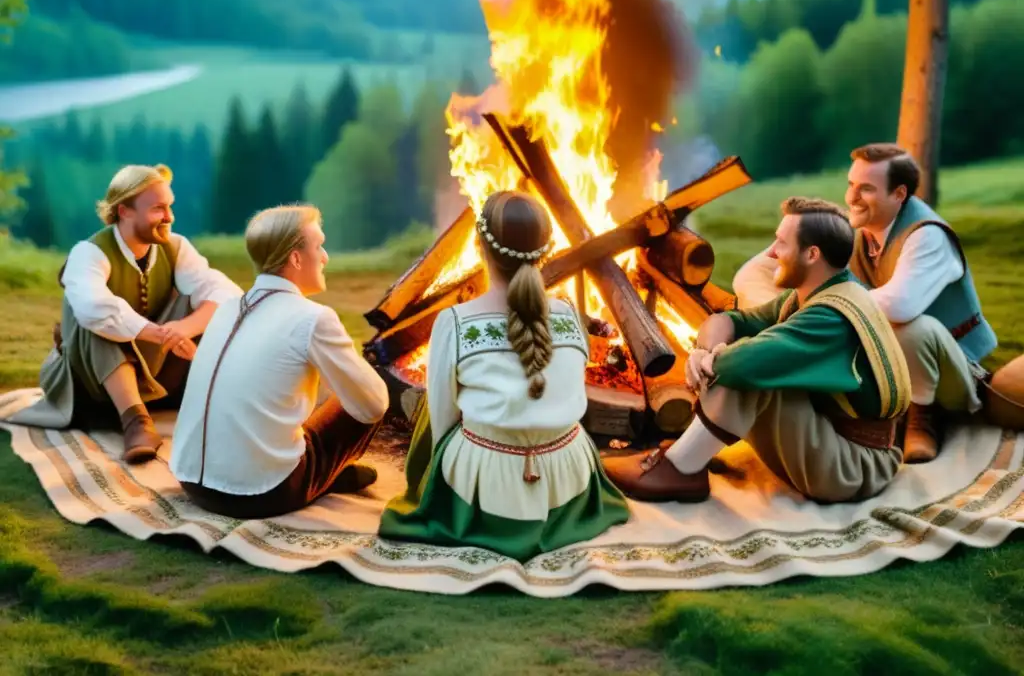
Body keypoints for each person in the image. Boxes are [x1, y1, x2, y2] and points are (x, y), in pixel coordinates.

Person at [604, 198, 913, 504]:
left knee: (747, 370)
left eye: (781, 242)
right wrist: (703, 351)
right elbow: (731, 320)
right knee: (738, 360)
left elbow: (745, 363)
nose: (772, 252)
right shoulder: (815, 293)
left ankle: (682, 470)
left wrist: (712, 361)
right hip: (834, 436)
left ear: (812, 254)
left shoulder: (831, 317)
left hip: (855, 466)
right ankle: (686, 459)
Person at [378, 190, 630, 563]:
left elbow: (445, 421)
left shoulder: (455, 322)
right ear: (545, 254)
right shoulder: (570, 314)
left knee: (434, 407)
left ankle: (453, 502)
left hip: (488, 485)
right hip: (569, 477)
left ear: (480, 249)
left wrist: (434, 474)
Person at [732, 144, 996, 463]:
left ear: (899, 194)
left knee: (911, 328)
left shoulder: (927, 236)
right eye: (851, 185)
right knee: (796, 302)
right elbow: (757, 270)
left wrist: (816, 306)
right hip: (886, 356)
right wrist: (787, 307)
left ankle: (922, 420)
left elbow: (900, 304)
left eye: (866, 189)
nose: (851, 198)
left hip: (952, 368)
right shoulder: (857, 228)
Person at [169, 205, 390, 520]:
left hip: (192, 481)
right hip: (262, 493)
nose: (325, 256)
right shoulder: (313, 318)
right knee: (369, 394)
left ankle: (321, 474)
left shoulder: (226, 309)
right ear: (296, 258)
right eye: (319, 246)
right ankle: (317, 477)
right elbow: (373, 405)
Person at [11, 164, 242, 463]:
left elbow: (223, 293)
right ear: (124, 212)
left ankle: (216, 400)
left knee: (198, 299)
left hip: (155, 371)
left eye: (169, 207)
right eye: (158, 209)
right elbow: (95, 309)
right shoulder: (89, 253)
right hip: (88, 384)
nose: (169, 217)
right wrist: (159, 334)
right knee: (92, 314)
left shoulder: (176, 247)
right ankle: (136, 423)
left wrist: (184, 328)